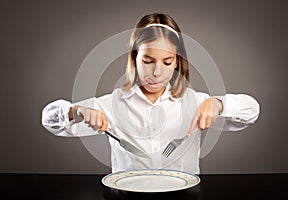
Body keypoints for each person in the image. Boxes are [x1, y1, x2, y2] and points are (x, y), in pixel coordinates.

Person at [42, 13, 260, 174]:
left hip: (182, 196)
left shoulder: (195, 102)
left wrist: (218, 104)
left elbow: (252, 110)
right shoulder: (112, 105)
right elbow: (49, 120)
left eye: (167, 62)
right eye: (148, 61)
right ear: (135, 57)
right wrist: (76, 111)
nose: (156, 72)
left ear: (177, 62)